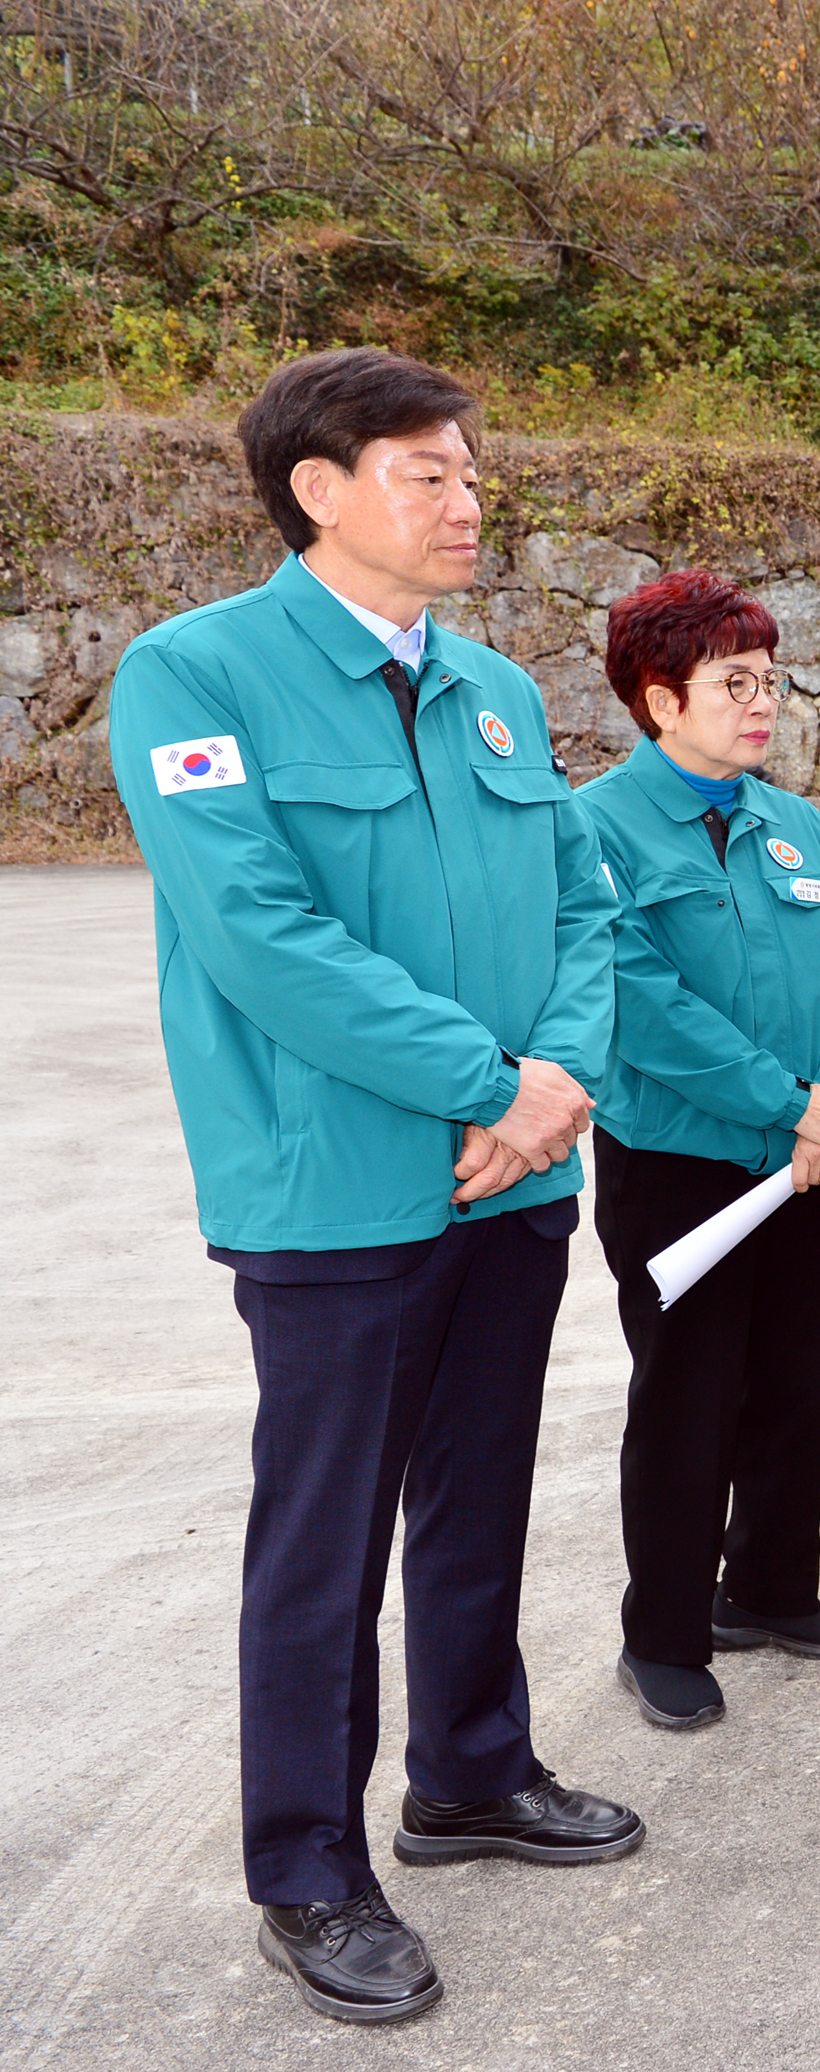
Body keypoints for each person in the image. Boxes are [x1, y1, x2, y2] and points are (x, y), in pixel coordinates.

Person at [105, 348, 640, 2028]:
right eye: (429, 472)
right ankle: (308, 1867)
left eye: (472, 471)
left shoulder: (490, 689)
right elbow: (261, 936)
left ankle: (471, 1770)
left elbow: (589, 908)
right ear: (317, 490)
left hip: (514, 1181)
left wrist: (556, 1084)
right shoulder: (193, 678)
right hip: (337, 1188)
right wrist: (495, 1085)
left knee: (478, 1494)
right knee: (322, 1537)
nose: (469, 499)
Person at [575, 569, 820, 1730]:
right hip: (681, 1164)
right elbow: (637, 1001)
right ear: (660, 700)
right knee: (688, 1394)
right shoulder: (595, 826)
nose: (765, 705)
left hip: (804, 1154)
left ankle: (769, 1589)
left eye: (771, 681)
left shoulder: (787, 818)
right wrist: (788, 1104)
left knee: (792, 1378)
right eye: (734, 683)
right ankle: (662, 1630)